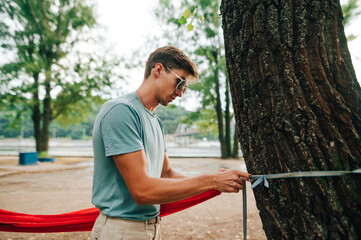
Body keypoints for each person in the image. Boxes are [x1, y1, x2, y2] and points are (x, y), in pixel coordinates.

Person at [90, 46, 250, 240]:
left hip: (151, 228)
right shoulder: (121, 112)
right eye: (179, 82)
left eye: (184, 87)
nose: (180, 93)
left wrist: (216, 180)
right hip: (121, 230)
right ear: (158, 70)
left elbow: (166, 174)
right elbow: (142, 191)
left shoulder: (155, 121)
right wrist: (210, 181)